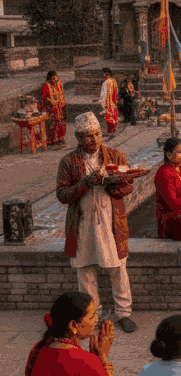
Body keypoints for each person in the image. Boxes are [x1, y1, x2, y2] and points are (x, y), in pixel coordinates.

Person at [56, 112, 137, 334]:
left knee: (118, 268)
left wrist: (113, 184)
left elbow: (128, 186)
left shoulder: (115, 156)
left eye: (97, 134)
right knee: (85, 271)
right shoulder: (68, 162)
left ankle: (124, 313)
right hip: (82, 224)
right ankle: (92, 315)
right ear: (78, 138)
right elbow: (62, 194)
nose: (94, 140)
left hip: (111, 222)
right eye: (88, 136)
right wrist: (85, 183)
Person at [40, 69, 67, 146]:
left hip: (60, 106)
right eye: (53, 78)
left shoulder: (59, 83)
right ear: (49, 79)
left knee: (61, 122)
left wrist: (60, 105)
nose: (55, 80)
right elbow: (46, 99)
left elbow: (61, 95)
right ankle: (52, 140)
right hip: (50, 108)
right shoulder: (46, 85)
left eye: (56, 78)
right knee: (53, 123)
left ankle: (60, 138)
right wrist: (53, 106)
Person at [99, 67, 119, 135]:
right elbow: (116, 93)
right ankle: (113, 132)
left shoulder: (106, 83)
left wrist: (103, 104)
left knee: (109, 119)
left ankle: (110, 133)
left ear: (106, 74)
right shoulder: (114, 81)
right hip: (113, 103)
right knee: (113, 118)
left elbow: (104, 95)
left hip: (108, 103)